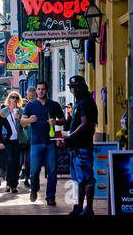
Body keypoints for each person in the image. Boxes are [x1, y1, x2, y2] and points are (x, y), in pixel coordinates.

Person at [21, 82, 67, 206]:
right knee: (34, 171)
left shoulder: (54, 105)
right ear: (36, 90)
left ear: (47, 90)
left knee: (52, 170)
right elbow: (22, 121)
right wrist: (29, 120)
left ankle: (50, 197)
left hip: (50, 143)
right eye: (39, 89)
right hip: (36, 142)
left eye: (43, 89)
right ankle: (34, 189)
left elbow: (64, 120)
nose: (40, 91)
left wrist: (56, 122)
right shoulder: (30, 105)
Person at [64, 75, 98, 216]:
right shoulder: (78, 102)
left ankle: (88, 208)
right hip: (76, 147)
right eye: (71, 87)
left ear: (81, 87)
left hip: (82, 146)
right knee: (79, 180)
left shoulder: (85, 102)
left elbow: (85, 124)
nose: (73, 90)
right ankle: (78, 206)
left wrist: (71, 136)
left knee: (87, 179)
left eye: (74, 87)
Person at [1, 91, 28, 194]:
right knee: (9, 161)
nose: (14, 99)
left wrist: (19, 118)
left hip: (18, 139)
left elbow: (26, 126)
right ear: (9, 99)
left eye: (16, 97)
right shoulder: (4, 111)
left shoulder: (21, 111)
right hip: (7, 140)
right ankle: (8, 184)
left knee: (17, 163)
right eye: (12, 97)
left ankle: (14, 185)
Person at [19, 87, 36, 188]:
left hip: (33, 139)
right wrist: (29, 120)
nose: (31, 99)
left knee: (29, 161)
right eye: (29, 97)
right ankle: (16, 178)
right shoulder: (25, 109)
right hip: (23, 138)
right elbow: (22, 124)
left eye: (33, 97)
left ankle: (26, 178)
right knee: (21, 160)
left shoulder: (38, 107)